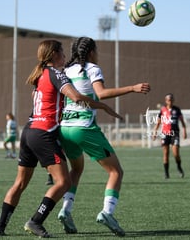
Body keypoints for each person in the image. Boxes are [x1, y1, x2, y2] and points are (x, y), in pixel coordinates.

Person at [0, 39, 122, 238]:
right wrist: (102, 106)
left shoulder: (39, 74)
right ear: (53, 54)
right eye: (61, 51)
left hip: (28, 131)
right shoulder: (56, 74)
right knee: (63, 182)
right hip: (43, 133)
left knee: (20, 183)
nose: (64, 55)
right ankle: (36, 221)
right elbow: (77, 98)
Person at [58, 37, 151, 236]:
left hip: (64, 128)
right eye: (97, 50)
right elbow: (101, 93)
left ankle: (65, 210)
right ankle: (107, 213)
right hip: (84, 128)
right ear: (91, 51)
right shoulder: (91, 68)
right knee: (116, 172)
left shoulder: (65, 70)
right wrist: (132, 88)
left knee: (76, 170)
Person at [153, 93, 187, 179]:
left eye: (171, 99)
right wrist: (155, 132)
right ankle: (166, 173)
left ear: (173, 100)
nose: (170, 101)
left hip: (175, 133)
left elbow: (182, 122)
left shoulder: (177, 110)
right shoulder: (162, 110)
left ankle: (179, 167)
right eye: (168, 100)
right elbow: (158, 122)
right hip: (165, 133)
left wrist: (184, 131)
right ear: (166, 101)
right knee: (165, 153)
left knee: (176, 153)